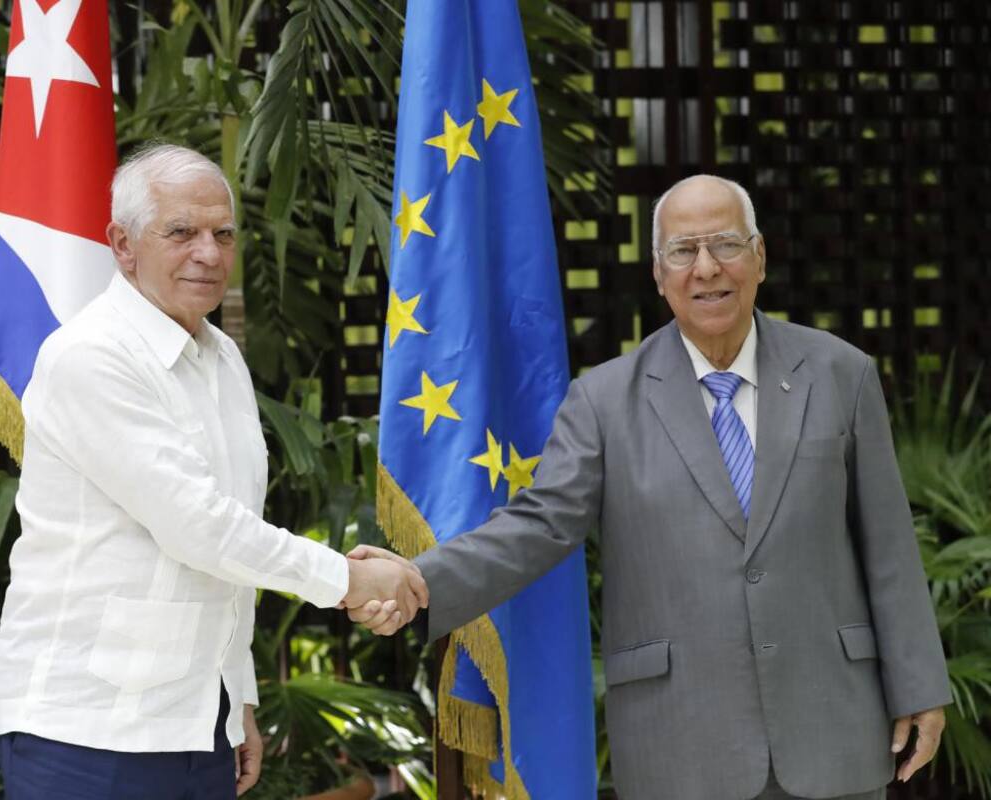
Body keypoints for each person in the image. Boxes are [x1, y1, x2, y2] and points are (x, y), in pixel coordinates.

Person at [351, 175, 950, 800]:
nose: (707, 268)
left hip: (831, 730)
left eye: (726, 243)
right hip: (680, 743)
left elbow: (888, 544)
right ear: (658, 274)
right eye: (683, 251)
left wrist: (919, 683)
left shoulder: (840, 373)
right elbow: (538, 525)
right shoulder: (603, 400)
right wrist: (421, 580)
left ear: (761, 257)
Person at [0, 143, 425, 800]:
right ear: (122, 244)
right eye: (182, 232)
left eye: (223, 233)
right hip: (85, 729)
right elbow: (198, 527)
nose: (210, 253)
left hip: (196, 725)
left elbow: (233, 537)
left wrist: (236, 697)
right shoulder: (90, 356)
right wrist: (350, 580)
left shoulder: (221, 357)